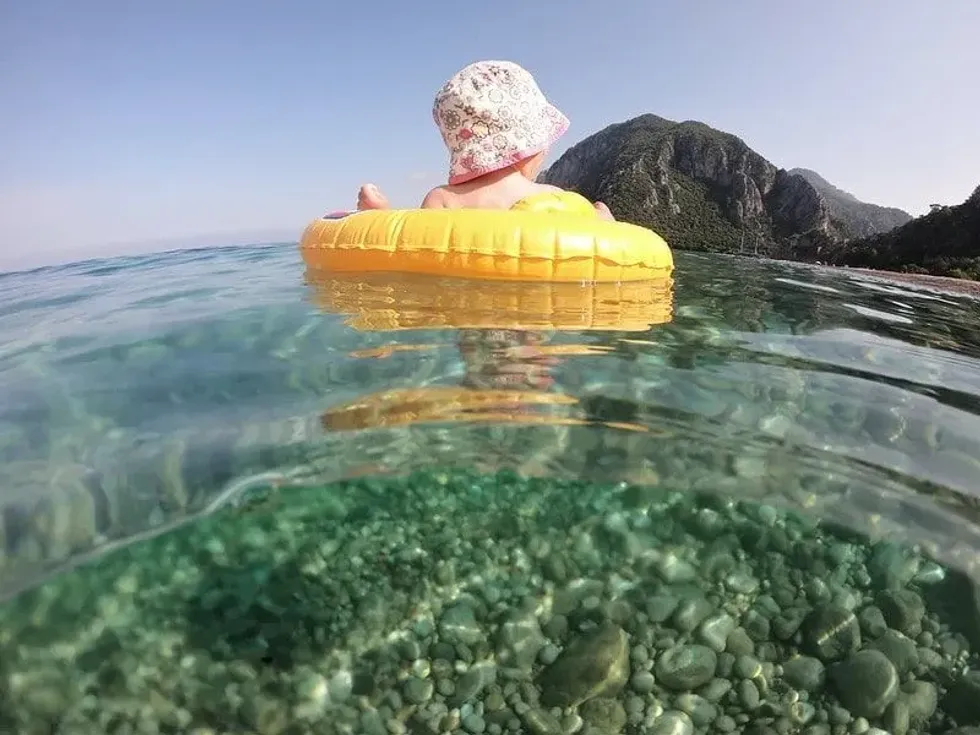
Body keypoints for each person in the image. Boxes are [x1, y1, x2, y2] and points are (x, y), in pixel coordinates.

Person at [355, 59, 614, 220]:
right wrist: (602, 218)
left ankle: (379, 215)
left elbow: (415, 246)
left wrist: (383, 220)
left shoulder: (443, 200)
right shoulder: (554, 198)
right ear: (528, 146)